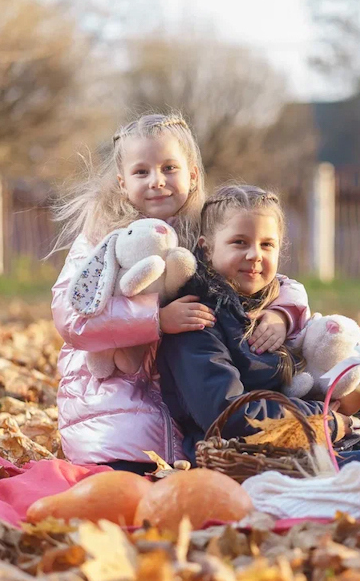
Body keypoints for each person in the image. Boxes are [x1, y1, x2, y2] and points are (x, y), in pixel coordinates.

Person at [50, 115, 310, 474]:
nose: (157, 181)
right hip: (113, 400)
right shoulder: (100, 238)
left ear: (192, 176)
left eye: (169, 168)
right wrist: (155, 320)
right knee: (135, 465)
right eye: (142, 172)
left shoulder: (202, 232)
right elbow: (72, 317)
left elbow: (264, 274)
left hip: (186, 400)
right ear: (122, 183)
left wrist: (283, 312)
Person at [157, 185, 358, 462]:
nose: (255, 255)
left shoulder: (275, 310)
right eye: (239, 242)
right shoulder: (198, 317)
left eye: (267, 244)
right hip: (242, 461)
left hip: (298, 445)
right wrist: (326, 420)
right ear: (206, 249)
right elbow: (227, 414)